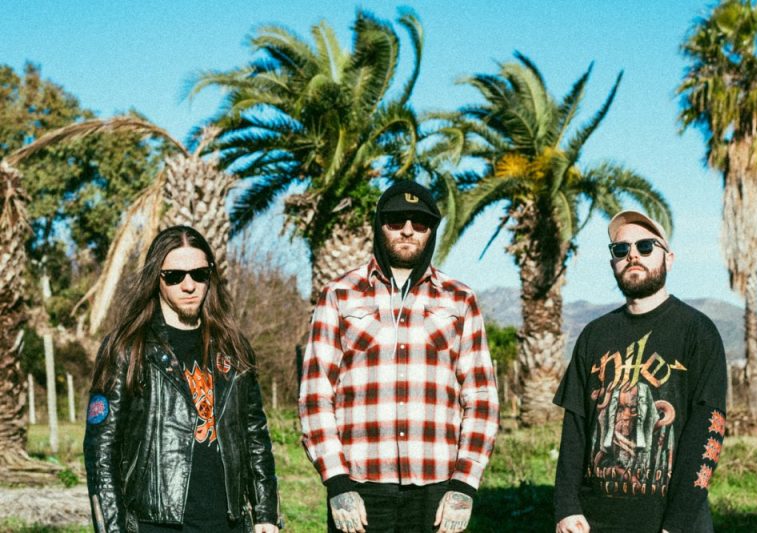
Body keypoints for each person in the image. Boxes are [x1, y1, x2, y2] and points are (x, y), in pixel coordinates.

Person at [299, 181, 500, 533]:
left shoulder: (459, 299)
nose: (408, 230)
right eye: (396, 220)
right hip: (360, 487)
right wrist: (337, 482)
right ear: (380, 225)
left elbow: (481, 396)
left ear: (431, 231)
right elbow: (316, 395)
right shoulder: (339, 295)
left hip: (437, 490)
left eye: (419, 222)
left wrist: (464, 484)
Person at [84, 226, 280, 533]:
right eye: (175, 276)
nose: (189, 286)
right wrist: (111, 528)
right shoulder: (128, 347)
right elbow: (101, 451)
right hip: (155, 523)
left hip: (228, 523)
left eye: (199, 274)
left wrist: (266, 513)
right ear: (157, 278)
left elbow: (255, 435)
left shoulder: (233, 347)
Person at [553, 210, 727, 533]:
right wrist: (566, 507)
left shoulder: (698, 332)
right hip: (594, 522)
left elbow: (707, 431)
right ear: (613, 263)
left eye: (645, 246)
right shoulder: (594, 335)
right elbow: (575, 425)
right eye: (621, 249)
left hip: (672, 523)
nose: (633, 255)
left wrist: (677, 524)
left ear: (669, 258)